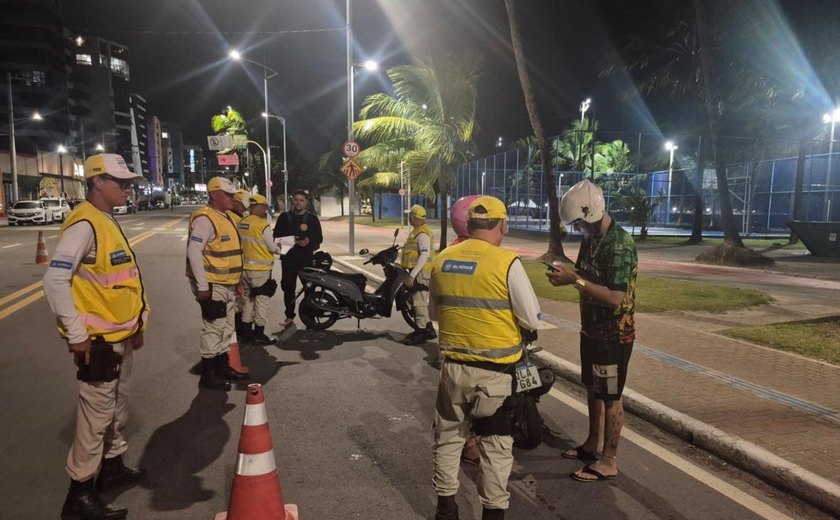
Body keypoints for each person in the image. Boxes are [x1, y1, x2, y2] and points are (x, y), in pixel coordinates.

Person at [43, 153, 149, 520]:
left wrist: (136, 324)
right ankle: (80, 496)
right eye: (121, 182)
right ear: (97, 182)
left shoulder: (105, 221)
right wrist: (76, 334)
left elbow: (122, 280)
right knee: (95, 417)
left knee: (116, 407)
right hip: (98, 342)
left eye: (129, 182)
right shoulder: (85, 224)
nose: (128, 187)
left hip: (118, 336)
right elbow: (54, 279)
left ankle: (114, 468)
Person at [428, 196, 541, 520]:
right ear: (502, 224)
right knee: (496, 448)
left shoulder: (443, 260)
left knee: (448, 439)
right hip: (494, 376)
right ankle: (492, 514)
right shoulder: (506, 262)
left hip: (452, 371)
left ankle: (446, 508)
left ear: (470, 224)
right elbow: (532, 319)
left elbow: (435, 313)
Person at [546, 179, 637, 483]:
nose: (578, 230)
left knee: (611, 395)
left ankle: (609, 460)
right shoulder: (592, 239)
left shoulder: (620, 244)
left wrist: (575, 281)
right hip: (592, 330)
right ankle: (592, 444)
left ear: (593, 213)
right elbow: (587, 274)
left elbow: (615, 297)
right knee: (592, 388)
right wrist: (567, 271)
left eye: (580, 224)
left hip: (614, 333)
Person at [186, 177, 248, 391]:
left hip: (227, 283)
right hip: (213, 284)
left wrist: (237, 280)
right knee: (213, 328)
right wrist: (202, 286)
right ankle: (209, 373)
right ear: (214, 194)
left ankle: (223, 367)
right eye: (228, 194)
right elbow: (194, 251)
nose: (232, 198)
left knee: (227, 327)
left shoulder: (225, 216)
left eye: (232, 194)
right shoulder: (205, 219)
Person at [272, 189, 323, 327]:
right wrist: (291, 240)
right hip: (289, 260)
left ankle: (309, 317)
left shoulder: (312, 218)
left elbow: (319, 238)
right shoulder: (284, 218)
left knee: (310, 289)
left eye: (302, 200)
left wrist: (308, 242)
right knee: (288, 289)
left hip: (306, 260)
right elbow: (275, 239)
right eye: (296, 200)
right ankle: (289, 316)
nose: (298, 203)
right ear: (292, 201)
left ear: (306, 202)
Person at [239, 194, 282, 344]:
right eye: (264, 207)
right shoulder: (262, 225)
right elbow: (272, 247)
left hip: (244, 269)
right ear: (261, 207)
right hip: (260, 270)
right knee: (261, 302)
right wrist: (279, 248)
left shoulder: (242, 222)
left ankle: (245, 334)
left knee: (247, 302)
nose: (264, 210)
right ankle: (259, 334)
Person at [401, 204, 437, 345]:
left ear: (414, 218)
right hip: (418, 271)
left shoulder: (422, 234)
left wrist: (412, 275)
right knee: (415, 300)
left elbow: (424, 255)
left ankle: (421, 332)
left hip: (421, 273)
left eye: (410, 216)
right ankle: (428, 328)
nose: (409, 218)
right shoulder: (418, 231)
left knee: (419, 303)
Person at [229, 189, 250, 340]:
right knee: (238, 301)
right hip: (233, 268)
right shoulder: (233, 219)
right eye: (243, 206)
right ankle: (238, 332)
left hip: (237, 265)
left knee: (239, 301)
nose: (245, 209)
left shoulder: (237, 217)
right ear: (235, 202)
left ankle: (239, 331)